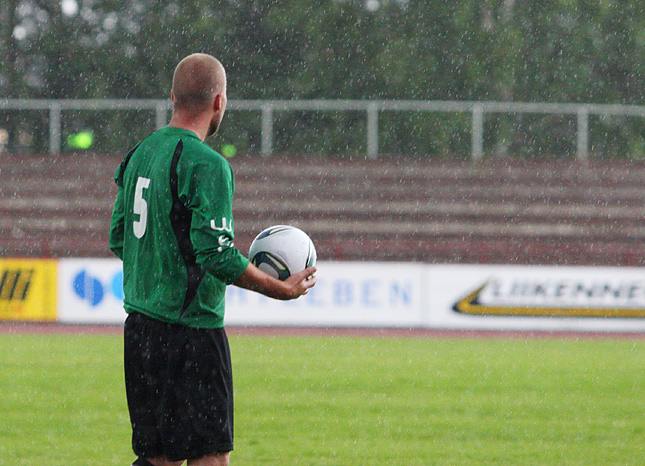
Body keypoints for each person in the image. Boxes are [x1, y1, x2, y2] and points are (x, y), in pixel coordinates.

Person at [109, 53, 317, 466]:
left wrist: (158, 274)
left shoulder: (140, 153)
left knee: (158, 457)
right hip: (192, 333)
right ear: (219, 102)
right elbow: (217, 253)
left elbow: (119, 237)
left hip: (141, 333)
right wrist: (280, 288)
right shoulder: (207, 165)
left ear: (173, 97)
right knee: (210, 457)